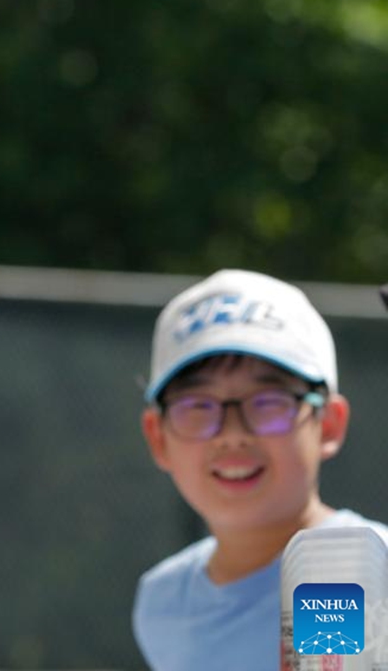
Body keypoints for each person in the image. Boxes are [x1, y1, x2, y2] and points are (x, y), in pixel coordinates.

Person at [132, 268, 388, 670]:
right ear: (158, 437)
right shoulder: (163, 602)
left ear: (330, 423)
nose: (232, 434)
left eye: (268, 403)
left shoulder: (357, 571)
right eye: (198, 407)